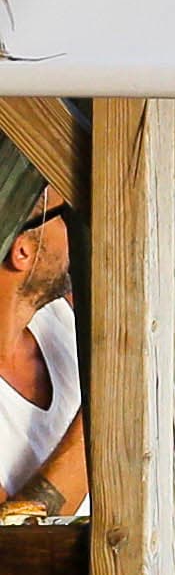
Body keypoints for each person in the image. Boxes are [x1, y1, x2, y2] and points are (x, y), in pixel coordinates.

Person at [0, 183, 87, 518]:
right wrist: (114, 402)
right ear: (22, 251)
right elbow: (14, 541)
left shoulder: (60, 319)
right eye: (65, 216)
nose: (77, 230)